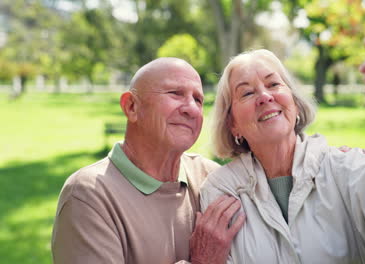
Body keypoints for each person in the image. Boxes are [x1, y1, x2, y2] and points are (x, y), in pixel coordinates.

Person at [200, 36, 365, 263]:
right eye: (246, 93)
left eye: (273, 85)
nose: (265, 97)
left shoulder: (344, 167)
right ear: (233, 124)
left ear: (294, 104)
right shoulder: (221, 193)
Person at [51, 58, 246, 264]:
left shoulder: (212, 179)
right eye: (175, 93)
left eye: (198, 99)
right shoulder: (88, 195)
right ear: (132, 106)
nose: (192, 109)